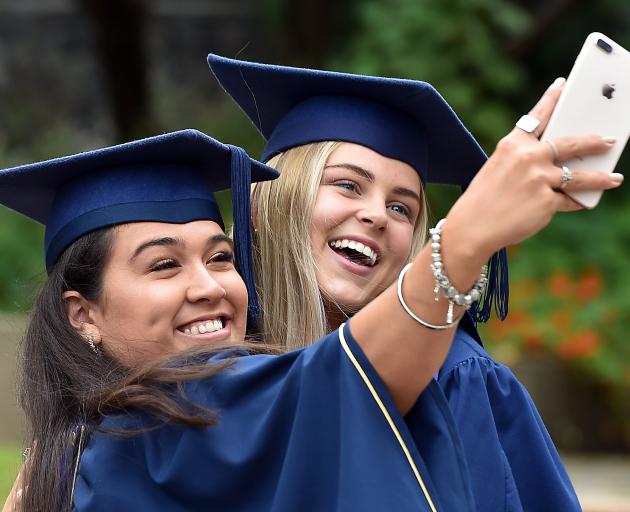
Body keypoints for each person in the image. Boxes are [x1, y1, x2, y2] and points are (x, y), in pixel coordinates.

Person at [207, 53, 623, 511]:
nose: (376, 215)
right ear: (271, 204)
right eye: (347, 185)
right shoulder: (207, 361)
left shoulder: (456, 379)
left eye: (402, 208)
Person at [0, 129, 480, 511]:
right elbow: (349, 375)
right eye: (164, 265)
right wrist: (474, 234)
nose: (209, 286)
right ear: (82, 314)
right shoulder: (85, 458)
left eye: (220, 258)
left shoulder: (66, 459)